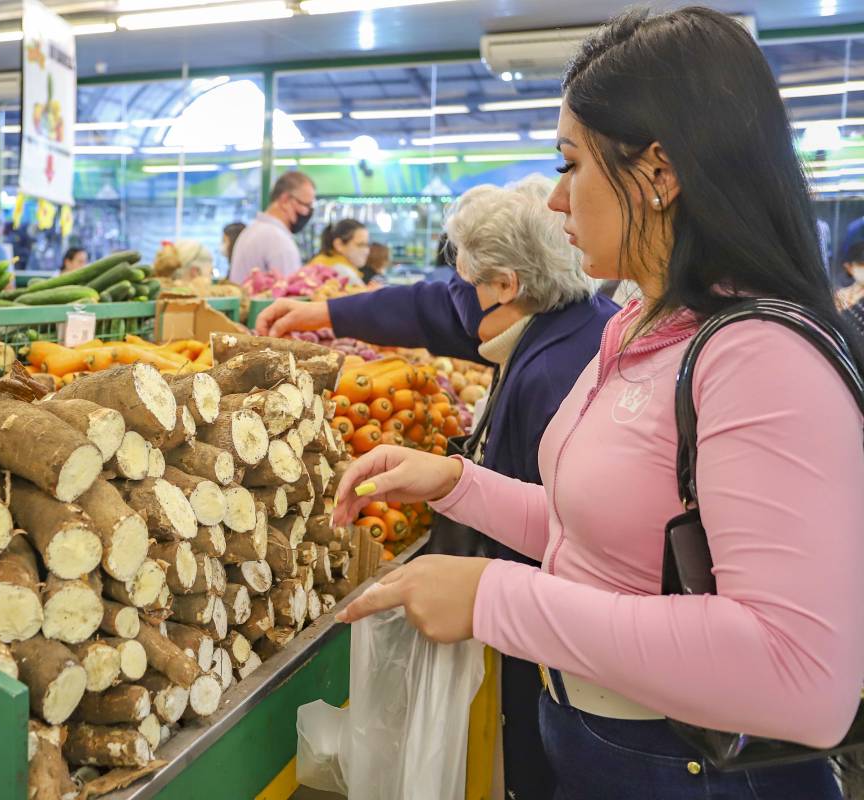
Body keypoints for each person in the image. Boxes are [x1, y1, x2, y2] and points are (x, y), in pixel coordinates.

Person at [332, 8, 864, 800]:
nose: (555, 199)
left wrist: (495, 597)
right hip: (606, 750)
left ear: (659, 174)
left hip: (694, 771)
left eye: (570, 163)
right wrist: (457, 484)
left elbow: (799, 676)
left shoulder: (759, 356)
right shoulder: (642, 321)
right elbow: (605, 543)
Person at [257, 176, 617, 800]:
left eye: (467, 281)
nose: (458, 296)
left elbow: (562, 538)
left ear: (506, 286)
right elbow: (436, 309)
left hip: (567, 672)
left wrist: (486, 592)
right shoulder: (559, 323)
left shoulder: (554, 372)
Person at [229, 172, 316, 284]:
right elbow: (288, 291)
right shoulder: (278, 239)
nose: (308, 212)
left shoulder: (251, 230)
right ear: (285, 200)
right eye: (306, 205)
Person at [308, 219, 368, 285]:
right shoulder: (342, 272)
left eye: (367, 245)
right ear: (339, 245)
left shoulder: (319, 262)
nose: (366, 251)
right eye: (360, 245)